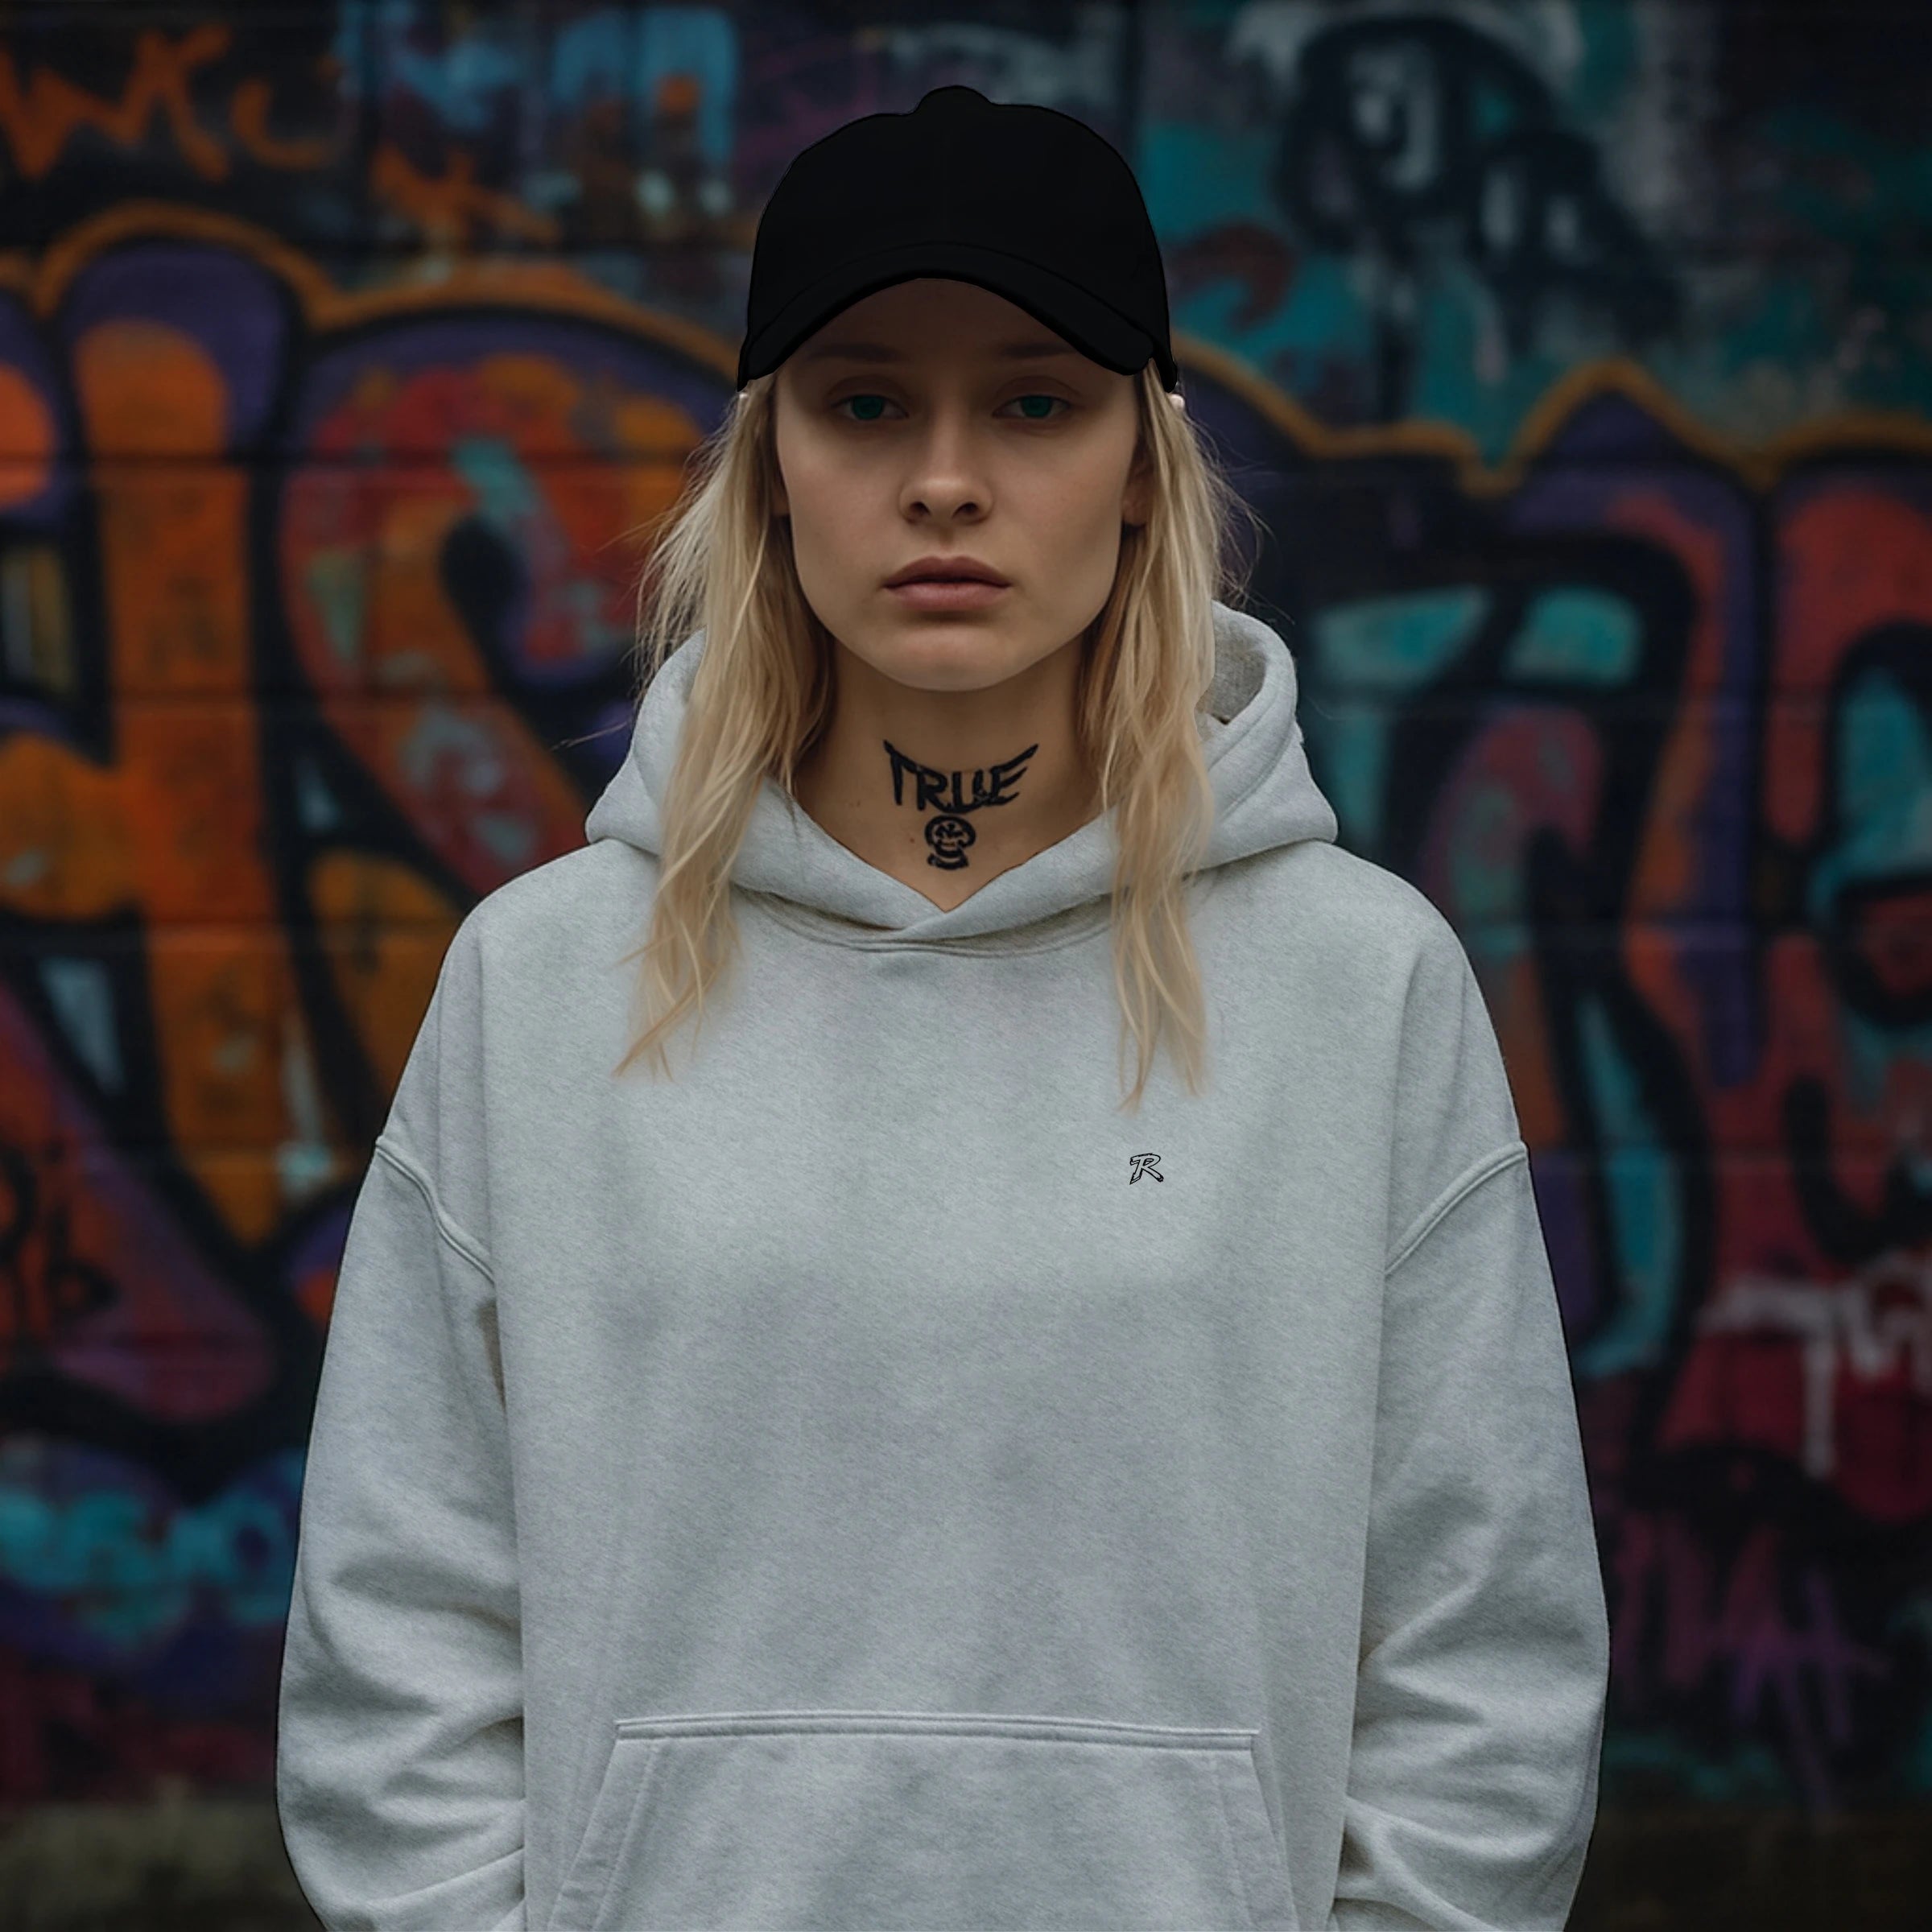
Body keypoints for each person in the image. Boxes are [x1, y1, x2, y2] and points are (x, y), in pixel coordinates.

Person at [276, 85, 1609, 1931]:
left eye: (1036, 402)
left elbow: (1486, 1653)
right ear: (772, 463)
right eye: (868, 400)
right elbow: (399, 1627)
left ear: (1143, 463)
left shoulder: (1358, 986)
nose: (946, 478)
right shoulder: (543, 980)